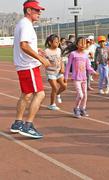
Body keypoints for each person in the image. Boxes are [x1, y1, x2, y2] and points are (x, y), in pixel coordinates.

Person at [10, 0, 50, 139]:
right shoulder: (26, 25)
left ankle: (17, 123)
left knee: (26, 95)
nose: (39, 13)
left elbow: (25, 45)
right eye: (37, 10)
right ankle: (28, 125)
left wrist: (37, 50)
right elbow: (24, 45)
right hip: (29, 66)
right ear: (28, 11)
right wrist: (41, 59)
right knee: (40, 94)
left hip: (24, 65)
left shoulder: (22, 24)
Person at [64, 37, 98, 118]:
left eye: (84, 43)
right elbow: (68, 66)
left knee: (85, 95)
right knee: (80, 95)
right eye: (81, 43)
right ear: (76, 44)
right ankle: (76, 108)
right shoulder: (73, 54)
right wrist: (65, 76)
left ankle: (83, 109)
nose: (83, 45)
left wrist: (94, 72)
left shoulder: (85, 55)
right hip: (76, 78)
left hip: (84, 78)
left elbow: (88, 67)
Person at [44, 34, 67, 110]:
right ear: (50, 42)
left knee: (64, 86)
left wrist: (62, 68)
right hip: (50, 73)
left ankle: (57, 94)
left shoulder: (59, 50)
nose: (58, 44)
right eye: (56, 42)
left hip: (59, 72)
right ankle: (52, 104)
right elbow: (44, 61)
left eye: (58, 42)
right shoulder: (46, 51)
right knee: (55, 87)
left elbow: (61, 59)